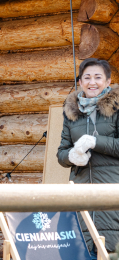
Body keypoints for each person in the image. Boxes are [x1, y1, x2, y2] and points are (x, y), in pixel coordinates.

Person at [57, 58, 119, 259]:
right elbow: (61, 152)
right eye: (87, 77)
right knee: (84, 250)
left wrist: (95, 141)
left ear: (108, 81)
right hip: (81, 192)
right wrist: (72, 156)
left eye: (98, 77)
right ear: (80, 82)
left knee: (110, 248)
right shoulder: (70, 112)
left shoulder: (117, 108)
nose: (92, 82)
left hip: (112, 190)